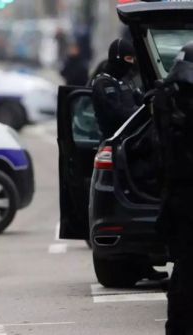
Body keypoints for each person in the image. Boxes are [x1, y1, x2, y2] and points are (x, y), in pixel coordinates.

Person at [149, 42, 193, 335]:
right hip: (184, 201)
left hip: (176, 203)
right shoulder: (178, 108)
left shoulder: (165, 102)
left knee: (183, 277)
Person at [91, 39, 141, 139]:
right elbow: (116, 113)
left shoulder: (125, 79)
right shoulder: (104, 83)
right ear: (117, 58)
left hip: (130, 137)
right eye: (128, 58)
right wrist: (141, 113)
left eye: (133, 59)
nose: (131, 63)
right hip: (114, 141)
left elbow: (139, 98)